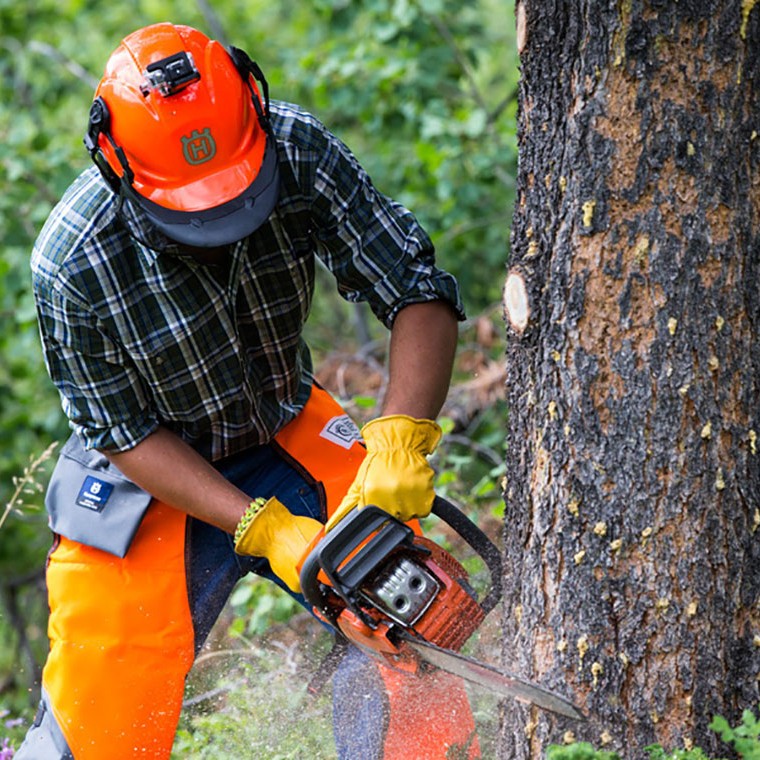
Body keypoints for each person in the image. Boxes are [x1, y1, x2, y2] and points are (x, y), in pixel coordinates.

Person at [17, 22, 480, 760]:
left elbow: (415, 287)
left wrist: (401, 439)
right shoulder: (73, 262)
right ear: (116, 166)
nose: (220, 228)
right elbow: (122, 430)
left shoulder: (296, 149)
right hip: (150, 474)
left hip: (282, 425)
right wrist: (260, 525)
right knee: (97, 728)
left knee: (414, 625)